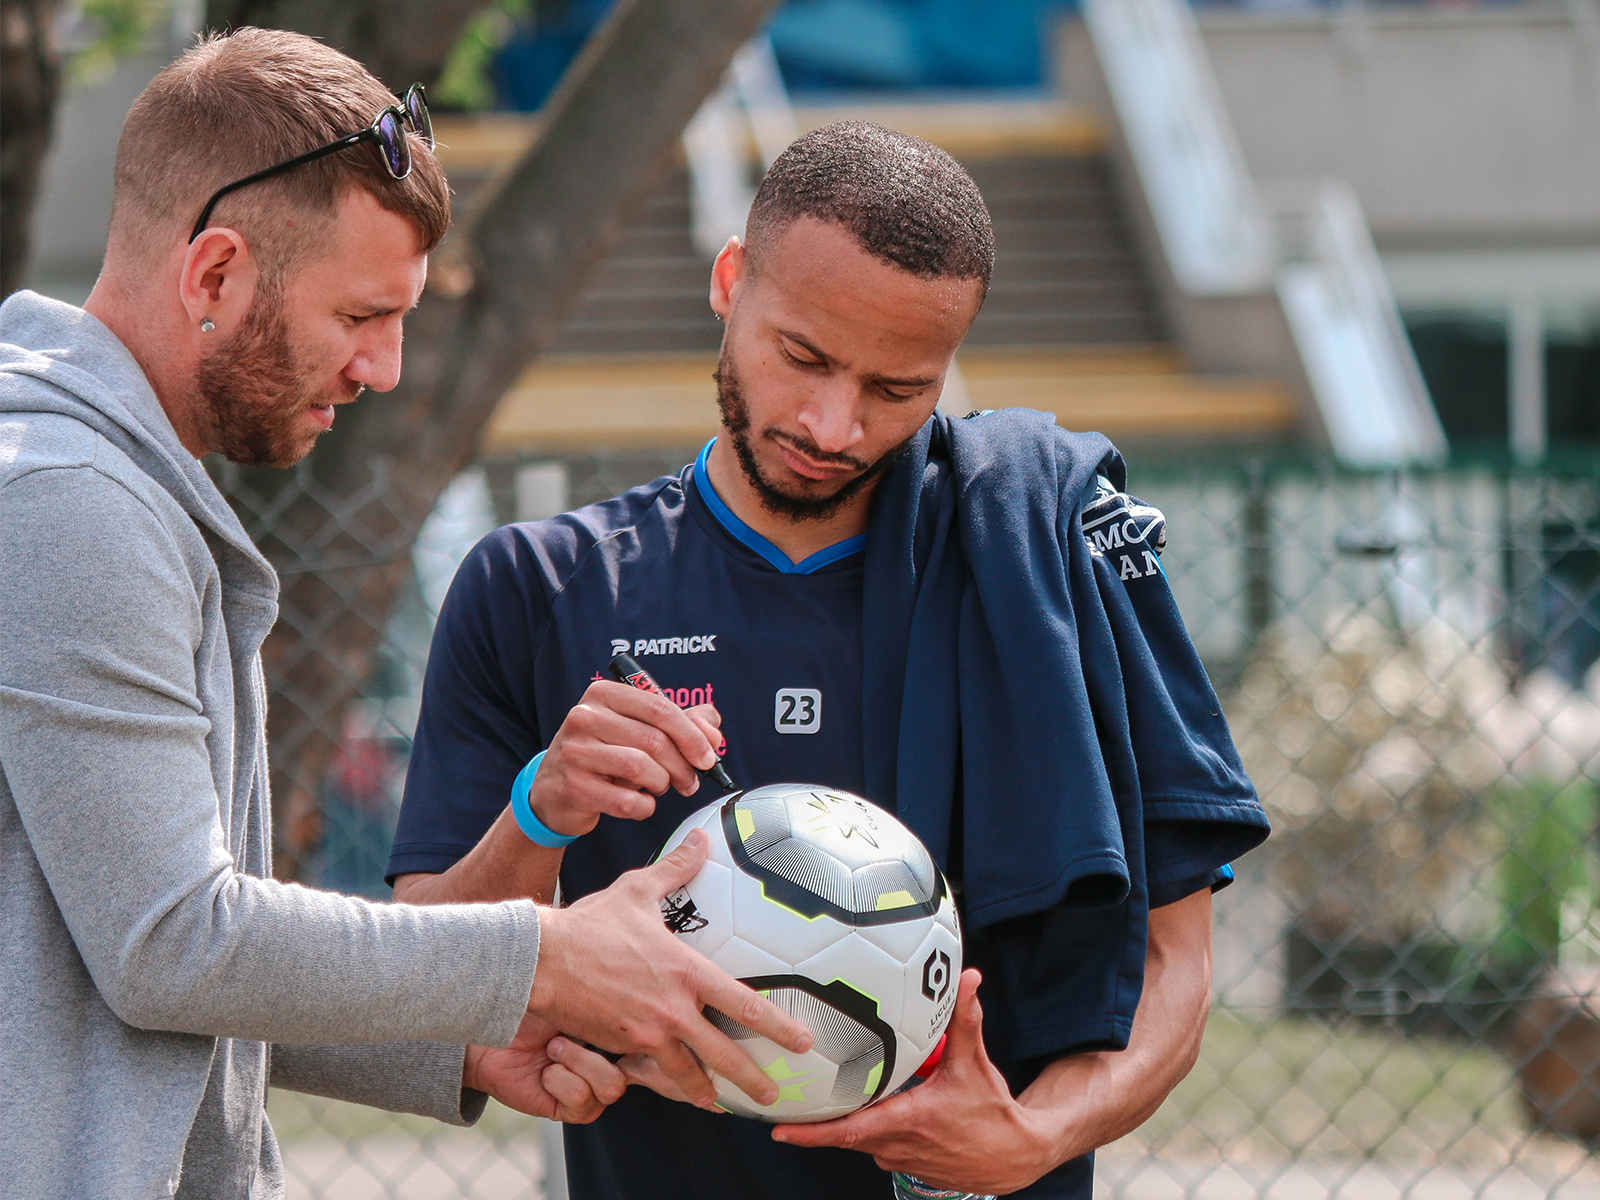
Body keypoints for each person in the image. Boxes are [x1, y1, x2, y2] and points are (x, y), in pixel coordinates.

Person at [0, 29, 811, 1200]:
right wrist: (547, 958)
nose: (384, 368)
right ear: (214, 274)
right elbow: (169, 945)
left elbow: (91, 959)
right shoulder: (71, 503)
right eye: (361, 317)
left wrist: (463, 1038)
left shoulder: (94, 481)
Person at [389, 122, 1271, 1198]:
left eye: (897, 389)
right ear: (728, 283)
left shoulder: (1045, 547)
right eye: (800, 356)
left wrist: (1033, 1138)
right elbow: (422, 983)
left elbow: (1178, 964)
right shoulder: (536, 587)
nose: (832, 423)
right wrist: (541, 812)